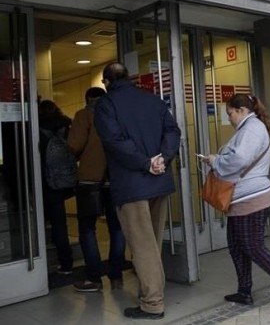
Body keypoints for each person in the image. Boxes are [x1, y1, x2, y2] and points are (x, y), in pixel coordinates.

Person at [95, 62, 181, 320]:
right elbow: (173, 131)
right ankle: (154, 294)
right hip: (159, 182)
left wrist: (145, 163)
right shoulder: (153, 100)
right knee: (152, 242)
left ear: (106, 82)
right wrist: (162, 159)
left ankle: (153, 304)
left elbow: (114, 141)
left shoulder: (106, 105)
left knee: (143, 247)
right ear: (129, 78)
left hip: (133, 185)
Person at [202, 94, 270, 312]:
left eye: (230, 114)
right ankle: (244, 291)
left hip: (252, 199)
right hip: (241, 199)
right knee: (237, 247)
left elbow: (239, 159)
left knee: (254, 247)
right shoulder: (249, 128)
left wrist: (216, 161)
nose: (229, 119)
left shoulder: (252, 128)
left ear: (242, 111)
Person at [67, 87, 126, 292]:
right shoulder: (118, 114)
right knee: (117, 228)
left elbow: (74, 144)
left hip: (90, 180)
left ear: (87, 99)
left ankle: (94, 279)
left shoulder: (83, 115)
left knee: (87, 229)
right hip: (116, 177)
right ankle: (117, 276)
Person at [38, 100, 74, 275]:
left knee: (50, 220)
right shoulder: (66, 125)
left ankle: (43, 257)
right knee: (60, 222)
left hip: (45, 182)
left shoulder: (36, 129)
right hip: (65, 181)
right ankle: (66, 262)